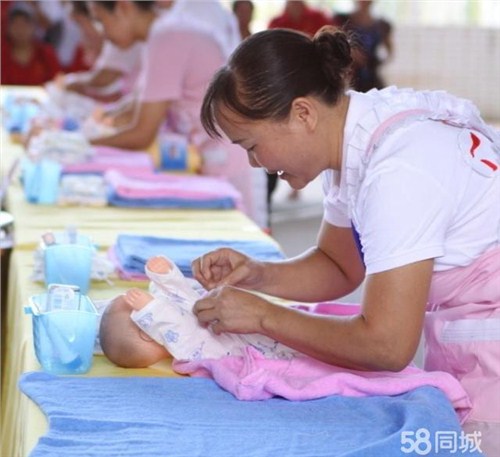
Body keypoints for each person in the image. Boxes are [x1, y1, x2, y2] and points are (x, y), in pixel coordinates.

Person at [192, 27, 500, 456]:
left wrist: (265, 318)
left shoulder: (398, 171)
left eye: (253, 145)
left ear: (302, 114)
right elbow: (339, 266)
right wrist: (258, 275)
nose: (255, 163)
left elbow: (387, 344)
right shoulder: (356, 137)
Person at [87, 0, 266, 228]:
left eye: (101, 20)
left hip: (234, 157)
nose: (103, 33)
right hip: (220, 152)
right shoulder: (164, 33)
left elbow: (142, 133)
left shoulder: (167, 37)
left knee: (242, 243)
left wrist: (84, 144)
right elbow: (132, 108)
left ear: (123, 7)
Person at [99, 255, 297, 368]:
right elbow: (175, 324)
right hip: (269, 348)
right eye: (138, 308)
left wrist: (165, 276)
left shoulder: (176, 322)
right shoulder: (187, 348)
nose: (154, 302)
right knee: (296, 343)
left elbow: (183, 296)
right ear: (147, 331)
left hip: (260, 330)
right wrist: (151, 309)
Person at [267, 1, 334, 203]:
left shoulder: (319, 18)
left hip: (317, 84)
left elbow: (332, 49)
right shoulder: (278, 21)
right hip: (286, 84)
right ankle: (294, 179)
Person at [333, 0, 393, 93]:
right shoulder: (341, 19)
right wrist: (349, 52)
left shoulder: (382, 25)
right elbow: (333, 44)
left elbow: (389, 51)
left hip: (371, 77)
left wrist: (377, 61)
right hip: (348, 76)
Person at [1, 4, 61, 85]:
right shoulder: (2, 53)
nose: (20, 30)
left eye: (25, 24)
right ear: (8, 27)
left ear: (34, 27)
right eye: (15, 24)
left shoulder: (46, 53)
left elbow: (57, 83)